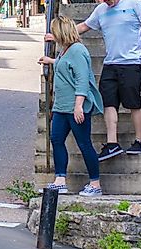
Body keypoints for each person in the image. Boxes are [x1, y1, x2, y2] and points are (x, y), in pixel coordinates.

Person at [76, 0, 141, 160]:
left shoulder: (134, 4)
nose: (106, 0)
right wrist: (57, 35)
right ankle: (112, 143)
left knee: (133, 102)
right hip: (110, 63)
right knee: (108, 101)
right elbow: (84, 26)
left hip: (133, 62)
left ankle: (140, 141)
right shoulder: (101, 10)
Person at [38, 15, 105, 196]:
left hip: (76, 107)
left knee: (84, 144)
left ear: (62, 32)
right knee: (56, 139)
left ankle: (95, 184)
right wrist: (51, 61)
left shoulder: (78, 50)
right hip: (61, 107)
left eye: (54, 31)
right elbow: (65, 65)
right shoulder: (65, 50)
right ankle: (60, 180)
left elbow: (82, 79)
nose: (53, 35)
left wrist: (79, 106)